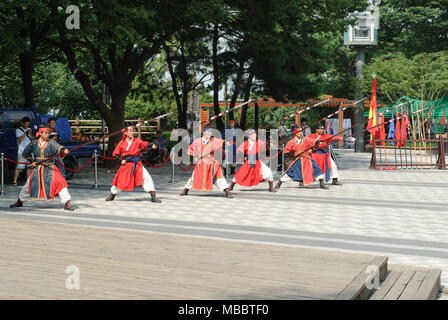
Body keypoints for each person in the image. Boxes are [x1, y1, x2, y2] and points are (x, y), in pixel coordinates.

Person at [9, 126, 74, 211]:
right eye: (45, 133)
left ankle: (67, 203)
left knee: (61, 182)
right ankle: (20, 201)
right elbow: (25, 154)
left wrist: (64, 151)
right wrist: (32, 161)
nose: (47, 135)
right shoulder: (34, 143)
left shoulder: (52, 142)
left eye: (48, 133)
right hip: (38, 169)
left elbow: (59, 148)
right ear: (40, 133)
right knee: (28, 185)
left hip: (50, 167)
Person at [105, 127, 161, 203]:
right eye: (130, 131)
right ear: (125, 133)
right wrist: (121, 160)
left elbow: (144, 144)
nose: (132, 133)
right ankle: (112, 194)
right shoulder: (122, 142)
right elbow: (115, 154)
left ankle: (153, 196)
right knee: (120, 180)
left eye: (132, 131)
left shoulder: (137, 141)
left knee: (147, 177)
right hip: (126, 164)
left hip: (137, 163)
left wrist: (151, 145)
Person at [180, 126, 233, 198]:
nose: (209, 133)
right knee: (194, 176)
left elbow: (222, 142)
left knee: (219, 177)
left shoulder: (213, 140)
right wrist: (195, 156)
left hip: (212, 162)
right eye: (208, 132)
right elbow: (191, 149)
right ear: (204, 132)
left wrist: (226, 143)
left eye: (210, 132)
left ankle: (227, 191)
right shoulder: (197, 141)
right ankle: (186, 190)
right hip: (201, 162)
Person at [12, 116, 33, 187]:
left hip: (29, 150)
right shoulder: (18, 130)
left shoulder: (29, 129)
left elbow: (33, 140)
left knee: (29, 167)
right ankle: (14, 182)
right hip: (22, 150)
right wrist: (25, 133)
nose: (27, 125)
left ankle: (27, 182)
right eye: (26, 124)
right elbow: (19, 139)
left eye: (28, 124)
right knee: (19, 166)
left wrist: (31, 134)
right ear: (22, 123)